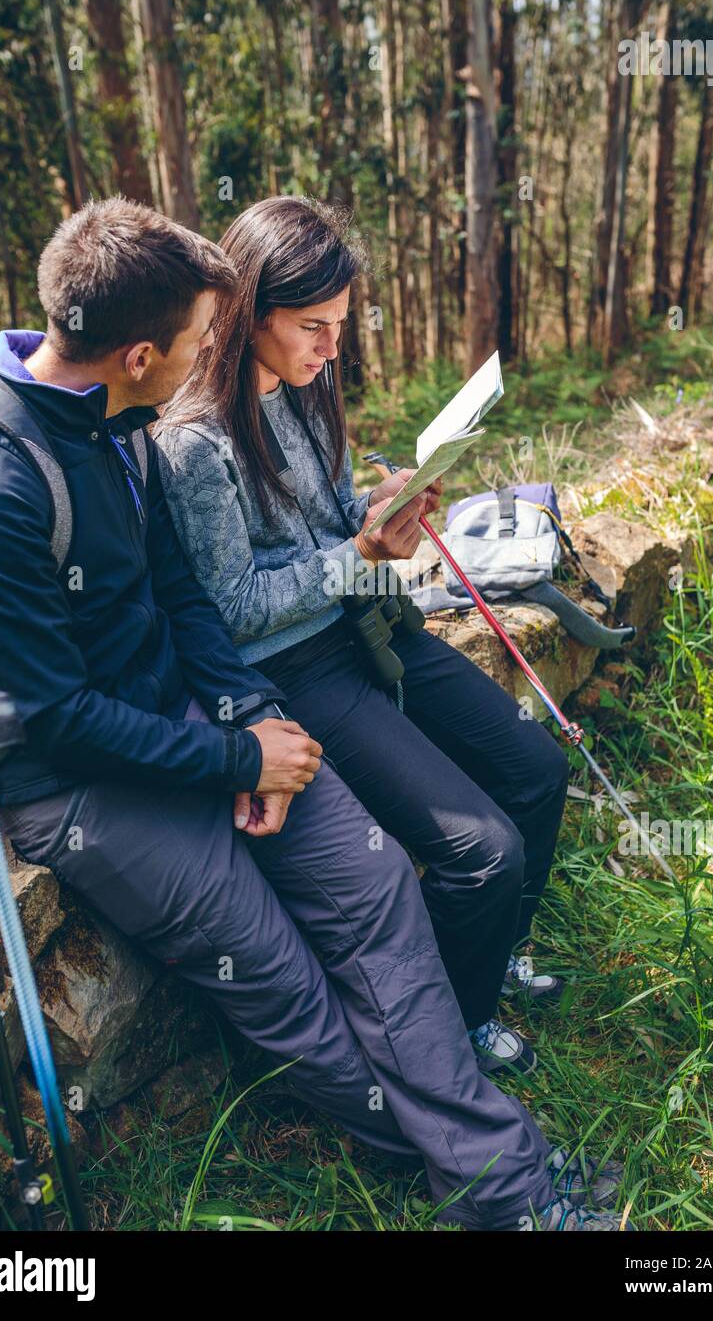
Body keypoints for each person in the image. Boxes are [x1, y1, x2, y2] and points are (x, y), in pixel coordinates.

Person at [0, 197, 628, 1231]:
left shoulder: (118, 418)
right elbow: (54, 720)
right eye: (192, 344)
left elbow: (184, 604)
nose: (203, 364)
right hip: (80, 786)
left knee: (377, 895)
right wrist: (231, 759)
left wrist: (255, 724)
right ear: (136, 353)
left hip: (197, 718)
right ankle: (494, 1182)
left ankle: (499, 1182)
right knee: (284, 979)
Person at [155, 196, 570, 1073]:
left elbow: (333, 516)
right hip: (296, 670)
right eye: (314, 326)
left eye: (340, 325)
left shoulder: (310, 391)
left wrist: (383, 507)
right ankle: (454, 1037)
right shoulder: (196, 443)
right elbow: (231, 608)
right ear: (248, 312)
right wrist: (358, 552)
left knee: (538, 770)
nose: (332, 347)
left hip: (367, 626)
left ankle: (493, 955)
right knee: (480, 850)